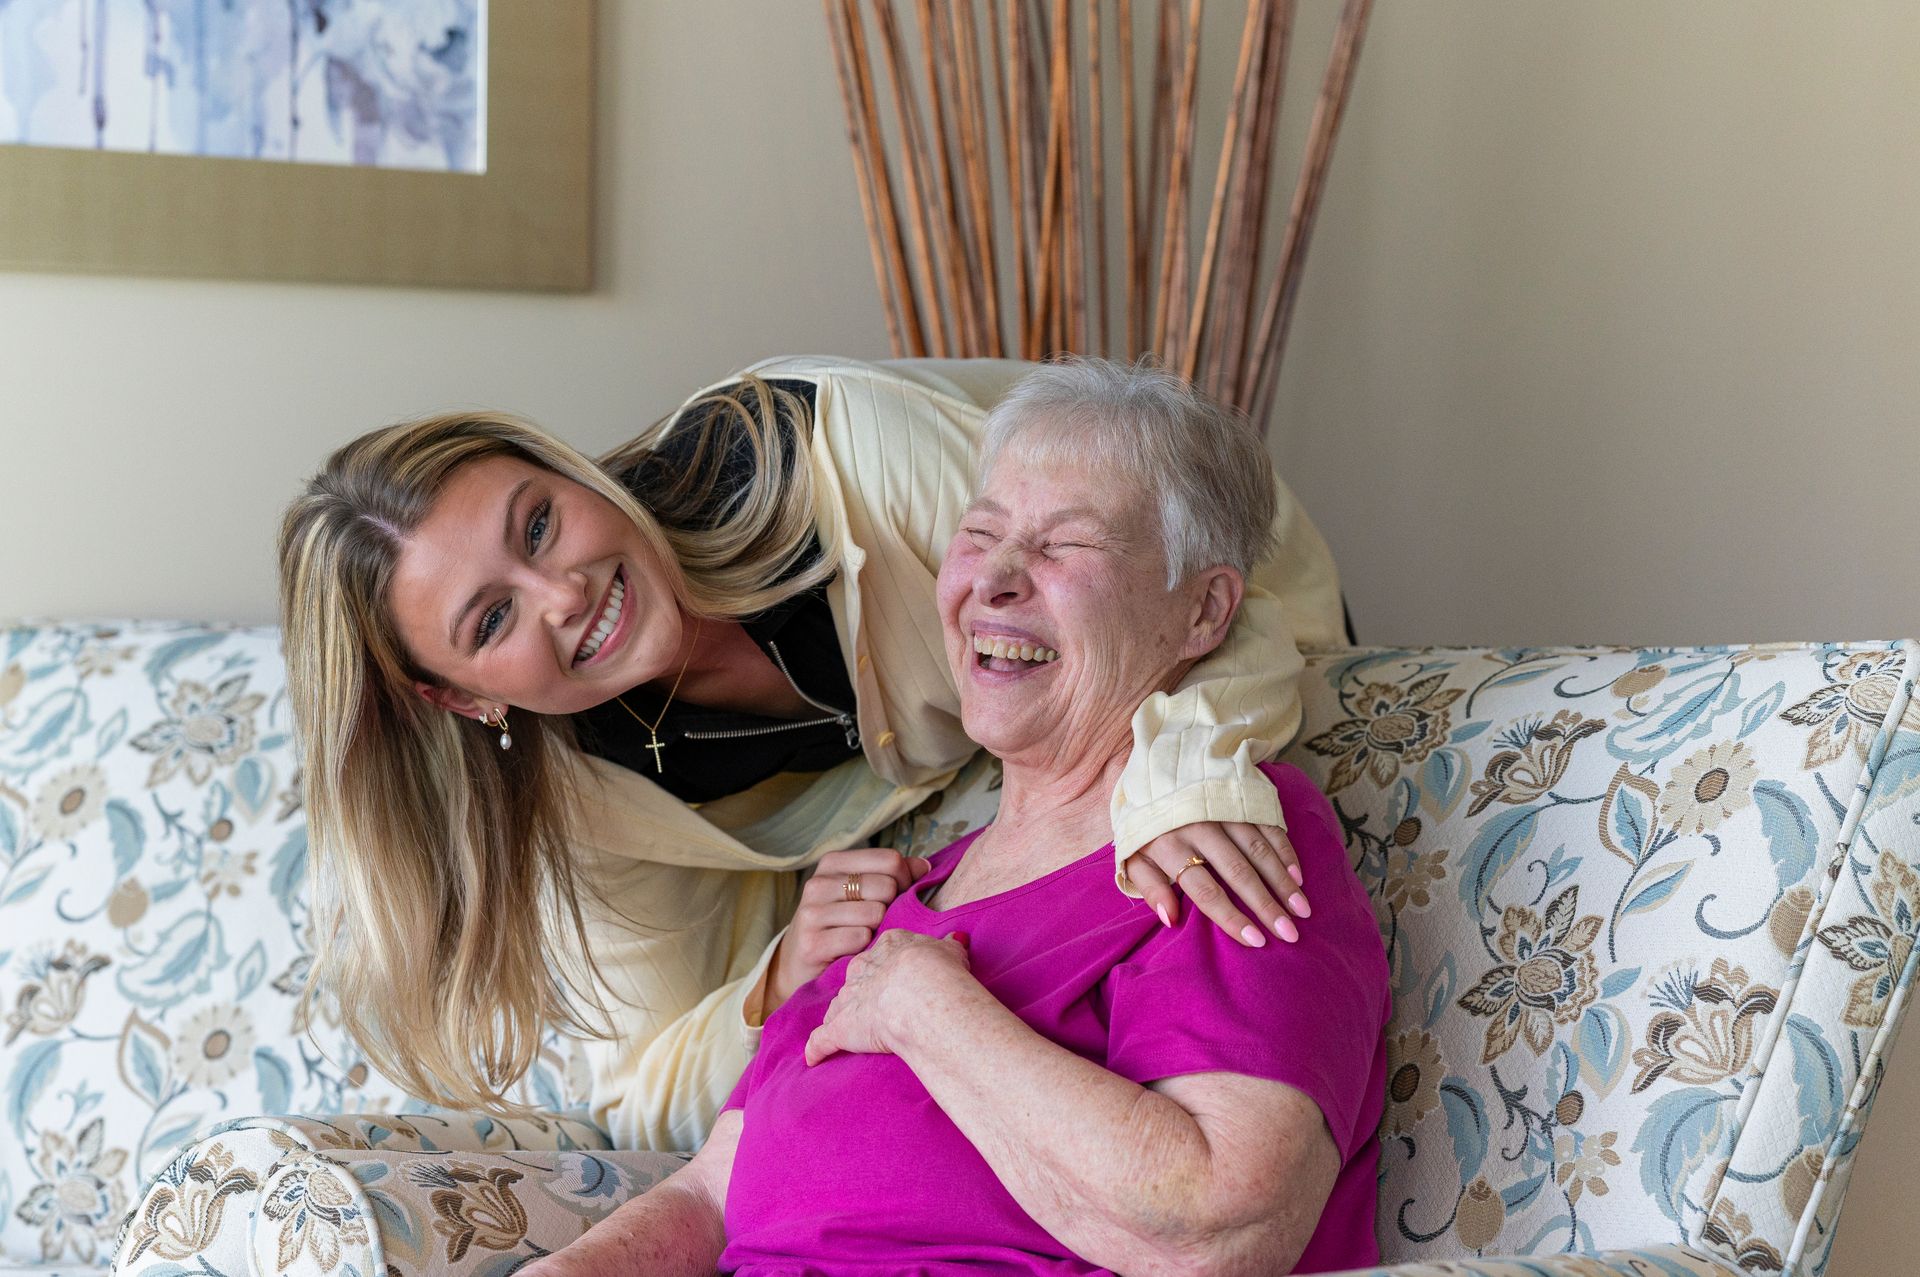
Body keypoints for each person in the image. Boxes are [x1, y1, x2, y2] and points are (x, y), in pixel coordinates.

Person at [276, 356, 1348, 1151]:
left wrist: (1188, 775)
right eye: (490, 619)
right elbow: (642, 1092)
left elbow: (1205, 609)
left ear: (572, 474)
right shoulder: (577, 790)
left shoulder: (846, 458)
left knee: (1202, 845)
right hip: (1013, 798)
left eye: (541, 523)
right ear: (457, 696)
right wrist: (780, 975)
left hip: (1230, 621)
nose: (566, 594)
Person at [522, 358, 1391, 1276]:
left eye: (1065, 547)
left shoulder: (1216, 854)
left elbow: (1218, 1226)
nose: (997, 580)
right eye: (979, 535)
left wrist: (929, 1012)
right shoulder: (903, 896)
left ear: (1204, 610)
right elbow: (709, 1194)